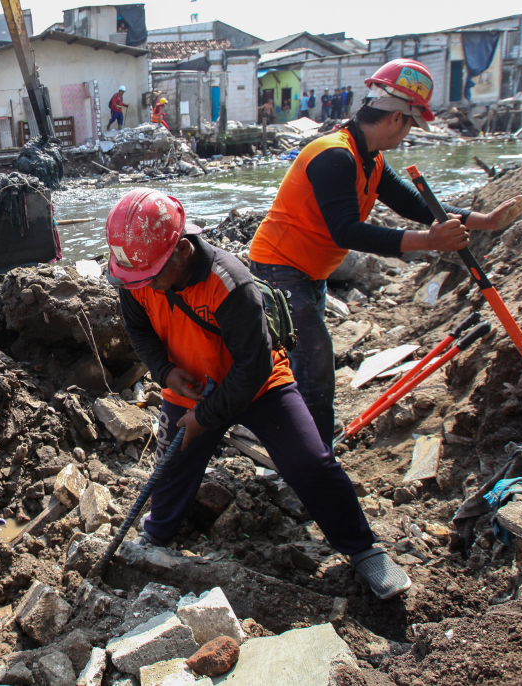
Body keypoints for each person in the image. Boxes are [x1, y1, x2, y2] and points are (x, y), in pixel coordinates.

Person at [106, 188, 412, 600]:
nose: (148, 287)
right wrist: (165, 372)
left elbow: (253, 368)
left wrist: (206, 418)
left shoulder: (230, 283)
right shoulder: (139, 274)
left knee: (311, 461)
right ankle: (156, 538)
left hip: (258, 384)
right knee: (172, 467)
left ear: (180, 251)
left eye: (154, 277)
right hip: (191, 383)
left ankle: (362, 549)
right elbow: (139, 331)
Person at [248, 59, 522, 443]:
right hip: (280, 268)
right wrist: (429, 242)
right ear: (397, 119)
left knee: (307, 361)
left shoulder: (370, 158)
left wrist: (483, 219)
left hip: (308, 270)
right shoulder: (334, 155)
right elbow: (348, 231)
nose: (407, 134)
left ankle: (306, 437)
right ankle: (312, 455)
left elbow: (414, 204)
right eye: (411, 125)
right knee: (314, 363)